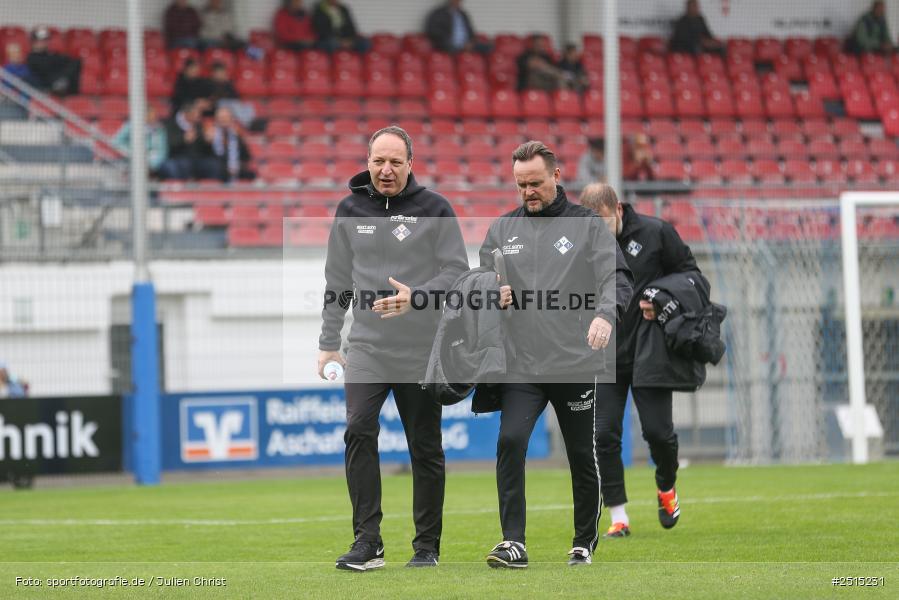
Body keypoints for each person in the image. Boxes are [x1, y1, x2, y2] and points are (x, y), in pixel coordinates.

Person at [477, 141, 634, 568]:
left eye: (536, 183)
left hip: (574, 361)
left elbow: (616, 278)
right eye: (521, 185)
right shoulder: (501, 231)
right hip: (521, 364)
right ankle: (513, 542)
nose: (528, 191)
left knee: (582, 453)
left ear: (557, 176)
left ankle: (584, 540)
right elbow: (482, 283)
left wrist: (605, 315)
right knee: (510, 442)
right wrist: (495, 291)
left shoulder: (587, 226)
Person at [319, 126, 468, 571]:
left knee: (425, 447)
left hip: (422, 349)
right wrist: (328, 343)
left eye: (395, 162)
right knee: (358, 429)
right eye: (378, 161)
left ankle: (427, 547)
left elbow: (458, 273)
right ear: (368, 161)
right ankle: (368, 542)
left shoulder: (435, 208)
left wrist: (416, 296)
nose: (386, 170)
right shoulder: (349, 209)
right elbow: (337, 282)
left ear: (410, 164)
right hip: (366, 347)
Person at [580, 183, 697, 539]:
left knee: (658, 434)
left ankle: (667, 486)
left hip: (651, 349)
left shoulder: (656, 232)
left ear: (617, 210)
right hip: (607, 353)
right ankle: (619, 516)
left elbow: (691, 274)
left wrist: (660, 296)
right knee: (603, 435)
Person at [112, 105, 169, 178]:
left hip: (153, 164)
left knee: (169, 167)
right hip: (132, 160)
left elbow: (162, 150)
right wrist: (132, 153)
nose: (154, 117)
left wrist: (152, 164)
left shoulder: (159, 129)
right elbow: (116, 142)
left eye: (154, 115)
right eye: (150, 115)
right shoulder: (131, 126)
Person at [26, 27, 81, 96]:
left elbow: (72, 61)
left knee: (75, 63)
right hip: (45, 87)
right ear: (34, 42)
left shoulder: (52, 55)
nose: (43, 42)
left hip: (61, 84)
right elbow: (44, 68)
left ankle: (62, 83)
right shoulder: (31, 58)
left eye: (45, 40)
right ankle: (59, 83)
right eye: (40, 40)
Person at [205, 105, 253, 182]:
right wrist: (207, 141)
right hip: (216, 172)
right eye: (221, 117)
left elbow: (246, 157)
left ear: (231, 119)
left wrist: (236, 166)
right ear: (216, 119)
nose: (223, 120)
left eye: (225, 117)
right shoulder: (209, 133)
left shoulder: (236, 135)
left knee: (251, 175)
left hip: (235, 170)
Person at [424, 0, 489, 54]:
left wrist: (471, 42)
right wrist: (451, 42)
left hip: (467, 44)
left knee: (488, 47)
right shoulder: (438, 13)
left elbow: (470, 31)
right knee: (450, 48)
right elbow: (433, 31)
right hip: (448, 45)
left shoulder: (463, 14)